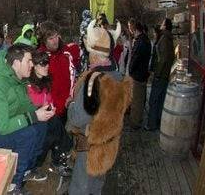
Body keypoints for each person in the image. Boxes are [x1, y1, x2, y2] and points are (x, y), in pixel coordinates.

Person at [0, 44, 53, 193]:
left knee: (42, 125)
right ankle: (13, 185)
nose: (32, 64)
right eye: (29, 61)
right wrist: (33, 116)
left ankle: (26, 170)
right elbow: (3, 127)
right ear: (16, 63)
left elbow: (26, 108)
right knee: (28, 134)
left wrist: (40, 111)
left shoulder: (17, 81)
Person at [67, 21, 131, 194]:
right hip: (109, 145)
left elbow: (78, 118)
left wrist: (71, 104)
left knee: (80, 187)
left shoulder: (94, 81)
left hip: (90, 148)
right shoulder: (119, 77)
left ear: (93, 55)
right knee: (97, 184)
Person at [28, 51, 73, 179]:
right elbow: (30, 106)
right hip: (32, 119)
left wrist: (51, 107)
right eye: (43, 63)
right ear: (34, 66)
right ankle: (59, 156)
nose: (46, 65)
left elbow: (49, 100)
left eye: (47, 62)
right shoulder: (28, 85)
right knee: (52, 127)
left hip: (45, 117)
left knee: (53, 125)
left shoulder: (46, 80)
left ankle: (57, 158)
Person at [36, 21, 81, 119]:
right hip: (51, 111)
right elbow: (37, 86)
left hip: (69, 105)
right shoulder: (39, 58)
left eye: (56, 36)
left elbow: (74, 76)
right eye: (51, 38)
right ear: (44, 40)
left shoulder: (67, 52)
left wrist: (72, 96)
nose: (55, 40)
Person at [146, 18, 175, 131]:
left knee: (154, 100)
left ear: (166, 26)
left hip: (160, 75)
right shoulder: (168, 38)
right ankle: (157, 123)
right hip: (165, 74)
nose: (161, 25)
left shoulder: (164, 39)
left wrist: (157, 73)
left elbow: (162, 59)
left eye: (162, 23)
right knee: (160, 100)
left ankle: (151, 124)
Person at [127, 20, 151, 130]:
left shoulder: (140, 42)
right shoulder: (145, 39)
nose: (129, 30)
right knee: (139, 98)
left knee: (137, 100)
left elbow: (135, 59)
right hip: (142, 73)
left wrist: (130, 71)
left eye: (129, 27)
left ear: (134, 28)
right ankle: (137, 119)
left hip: (138, 75)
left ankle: (135, 123)